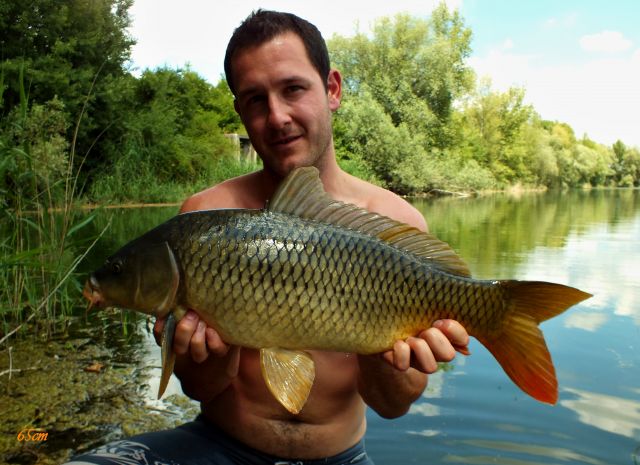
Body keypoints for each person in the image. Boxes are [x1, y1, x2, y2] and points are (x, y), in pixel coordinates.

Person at [67, 10, 469, 465]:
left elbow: (393, 406)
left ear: (332, 89)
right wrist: (212, 355)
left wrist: (382, 346)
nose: (277, 117)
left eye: (293, 89)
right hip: (217, 447)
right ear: (240, 111)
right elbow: (199, 389)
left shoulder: (397, 223)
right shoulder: (204, 216)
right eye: (255, 100)